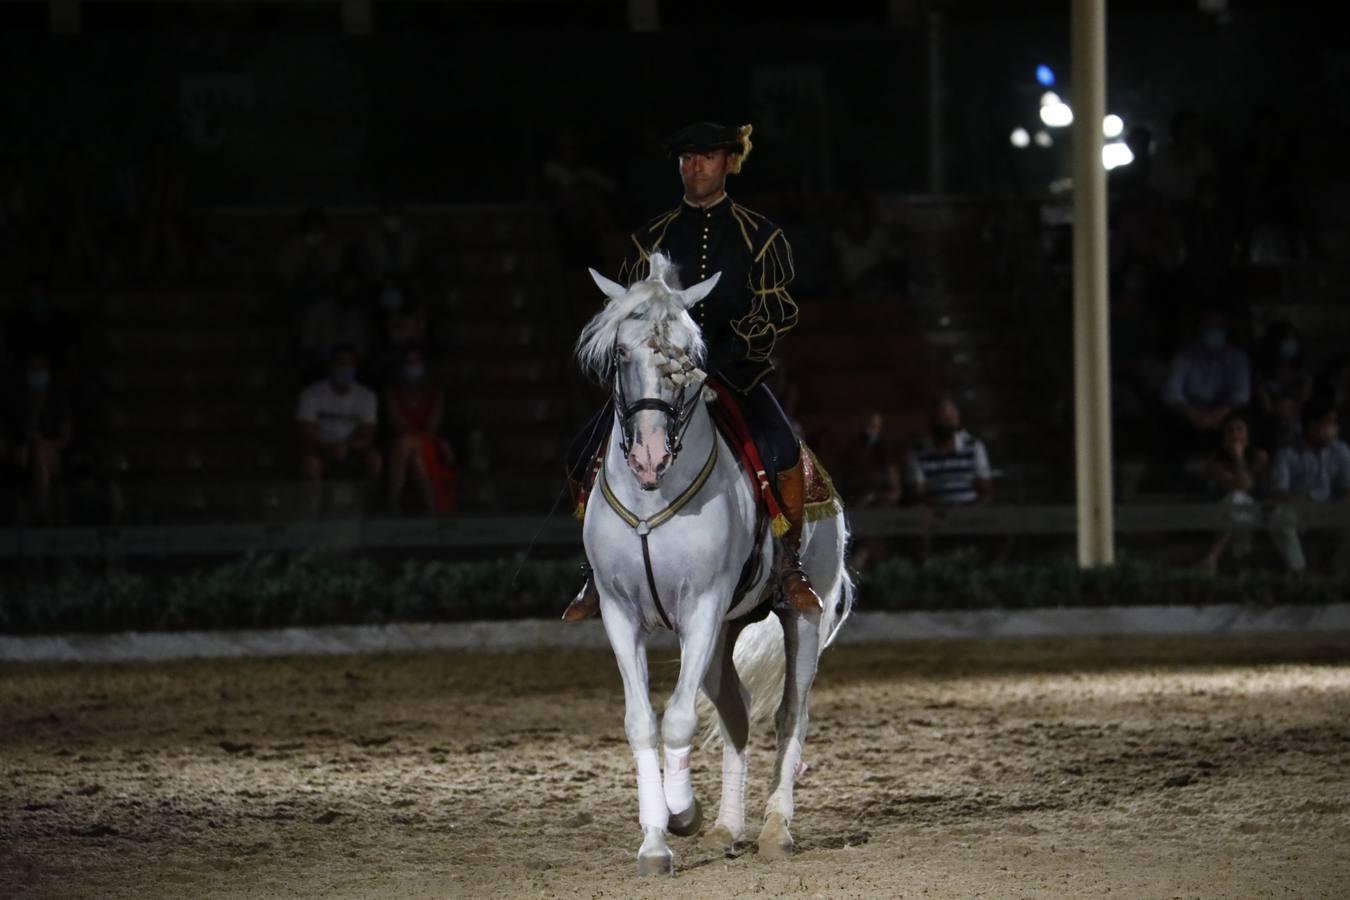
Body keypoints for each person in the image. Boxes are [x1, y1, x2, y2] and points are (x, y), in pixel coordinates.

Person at [561, 120, 819, 622]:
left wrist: (714, 358)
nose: (694, 166)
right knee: (581, 452)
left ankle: (789, 567)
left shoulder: (761, 236)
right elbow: (632, 311)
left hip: (733, 373)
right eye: (686, 159)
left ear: (728, 162)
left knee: (782, 448)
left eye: (706, 157)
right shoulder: (649, 237)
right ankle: (596, 573)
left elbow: (779, 311)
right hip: (657, 379)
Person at [297, 344, 381, 516]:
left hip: (352, 449)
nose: (345, 369)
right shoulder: (311, 394)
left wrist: (347, 447)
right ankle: (313, 514)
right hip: (321, 449)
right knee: (310, 463)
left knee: (375, 459)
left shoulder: (366, 396)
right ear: (331, 367)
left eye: (350, 364)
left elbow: (367, 432)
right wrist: (327, 448)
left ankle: (370, 511)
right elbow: (307, 433)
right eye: (341, 363)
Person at [1267, 403, 1350, 574]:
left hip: (1331, 508)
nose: (1334, 428)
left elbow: (1348, 488)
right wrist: (1304, 503)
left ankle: (1338, 576)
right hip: (1301, 508)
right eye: (1329, 423)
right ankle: (1300, 574)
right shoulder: (1287, 453)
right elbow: (1279, 492)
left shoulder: (1340, 450)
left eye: (1334, 423)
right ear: (1312, 426)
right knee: (1279, 517)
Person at [1162, 310, 1251, 455]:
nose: (1215, 332)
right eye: (1210, 327)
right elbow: (1172, 392)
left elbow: (1241, 394)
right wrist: (1194, 415)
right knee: (1171, 421)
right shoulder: (1184, 356)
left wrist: (1217, 415)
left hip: (1224, 415)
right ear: (1201, 330)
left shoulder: (1237, 357)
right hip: (1190, 415)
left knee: (1239, 421)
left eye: (1219, 328)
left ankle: (1237, 464)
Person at [383, 346, 457, 514]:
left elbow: (432, 428)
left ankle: (392, 503)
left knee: (406, 446)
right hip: (398, 444)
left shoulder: (436, 393)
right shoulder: (392, 393)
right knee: (412, 457)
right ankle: (431, 509)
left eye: (417, 362)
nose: (413, 366)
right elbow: (397, 424)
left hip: (427, 442)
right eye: (409, 362)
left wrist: (412, 439)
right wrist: (408, 439)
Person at [1199, 415, 1267, 573]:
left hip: (1256, 511)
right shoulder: (1215, 461)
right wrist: (1238, 458)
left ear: (1248, 435)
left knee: (1237, 500)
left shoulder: (1259, 456)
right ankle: (1241, 566)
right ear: (1223, 437)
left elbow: (1247, 486)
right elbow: (1238, 485)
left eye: (1240, 429)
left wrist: (1239, 458)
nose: (1235, 434)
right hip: (1222, 511)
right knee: (1235, 500)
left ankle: (1212, 556)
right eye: (1230, 430)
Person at [905, 394, 993, 506]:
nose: (947, 422)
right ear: (931, 421)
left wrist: (969, 512)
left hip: (971, 514)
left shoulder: (974, 446)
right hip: (932, 514)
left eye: (950, 418)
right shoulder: (917, 451)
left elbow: (986, 492)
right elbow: (917, 494)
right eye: (942, 418)